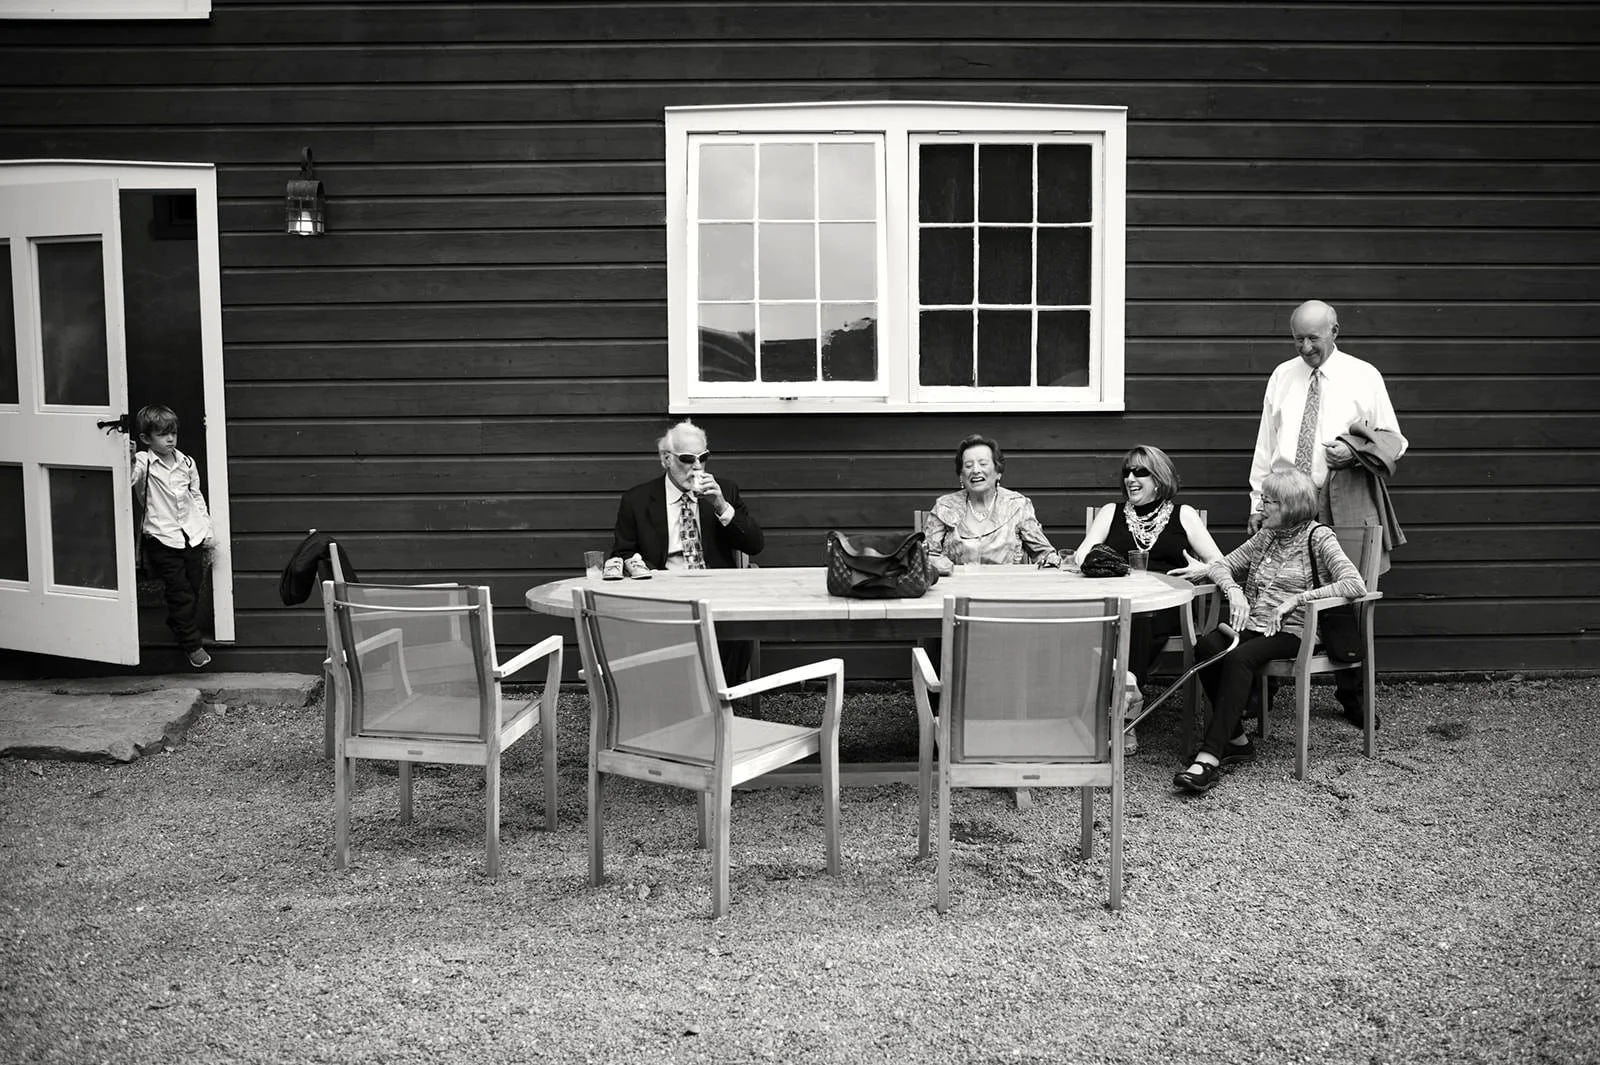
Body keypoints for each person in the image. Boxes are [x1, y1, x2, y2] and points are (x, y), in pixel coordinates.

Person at [1246, 299, 1406, 728]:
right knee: (1275, 587)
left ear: (1335, 331)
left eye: (1313, 338)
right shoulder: (1282, 376)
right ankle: (1264, 688)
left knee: (1344, 596)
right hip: (1286, 502)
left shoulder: (1363, 375)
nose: (1305, 347)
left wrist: (1353, 452)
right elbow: (1267, 445)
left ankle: (1352, 695)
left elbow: (1395, 440)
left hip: (1343, 497)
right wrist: (1256, 502)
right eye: (1297, 338)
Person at [1174, 469, 1367, 795]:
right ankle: (1236, 739)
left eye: (1269, 502)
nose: (1261, 508)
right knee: (1207, 647)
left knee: (1241, 657)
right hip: (1254, 626)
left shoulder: (1318, 537)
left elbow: (1355, 583)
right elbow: (1222, 565)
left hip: (1294, 631)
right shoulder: (1267, 536)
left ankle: (1209, 758)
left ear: (1290, 506)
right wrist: (1233, 591)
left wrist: (1299, 599)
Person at [608, 419, 764, 681]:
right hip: (663, 591)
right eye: (687, 458)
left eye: (703, 457)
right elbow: (622, 553)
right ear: (666, 459)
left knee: (739, 632)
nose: (697, 466)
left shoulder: (724, 491)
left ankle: (720, 703)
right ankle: (683, 701)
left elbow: (755, 545)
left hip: (715, 588)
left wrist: (721, 506)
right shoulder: (637, 500)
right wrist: (644, 571)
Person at [1073, 445, 1225, 688]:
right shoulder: (1111, 512)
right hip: (1117, 599)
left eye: (1140, 472)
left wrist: (1203, 570)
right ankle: (1128, 689)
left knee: (1140, 615)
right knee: (1125, 613)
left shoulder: (1183, 514)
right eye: (1127, 472)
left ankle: (1124, 695)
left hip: (1167, 604)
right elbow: (1082, 553)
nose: (1131, 478)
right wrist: (1096, 563)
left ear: (1158, 477)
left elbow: (1220, 562)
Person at [131, 404, 214, 669]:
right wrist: (128, 458)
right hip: (162, 538)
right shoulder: (144, 462)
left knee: (193, 586)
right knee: (180, 592)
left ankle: (177, 623)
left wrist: (207, 530)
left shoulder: (186, 462)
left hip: (192, 534)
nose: (170, 440)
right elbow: (130, 480)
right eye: (162, 435)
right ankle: (192, 644)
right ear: (146, 439)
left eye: (173, 434)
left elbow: (196, 496)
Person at [923, 434, 1064, 577]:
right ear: (961, 475)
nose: (975, 470)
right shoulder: (945, 506)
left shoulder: (1017, 505)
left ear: (998, 472)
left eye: (983, 464)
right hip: (956, 591)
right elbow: (926, 556)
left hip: (1006, 590)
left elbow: (1044, 553)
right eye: (968, 465)